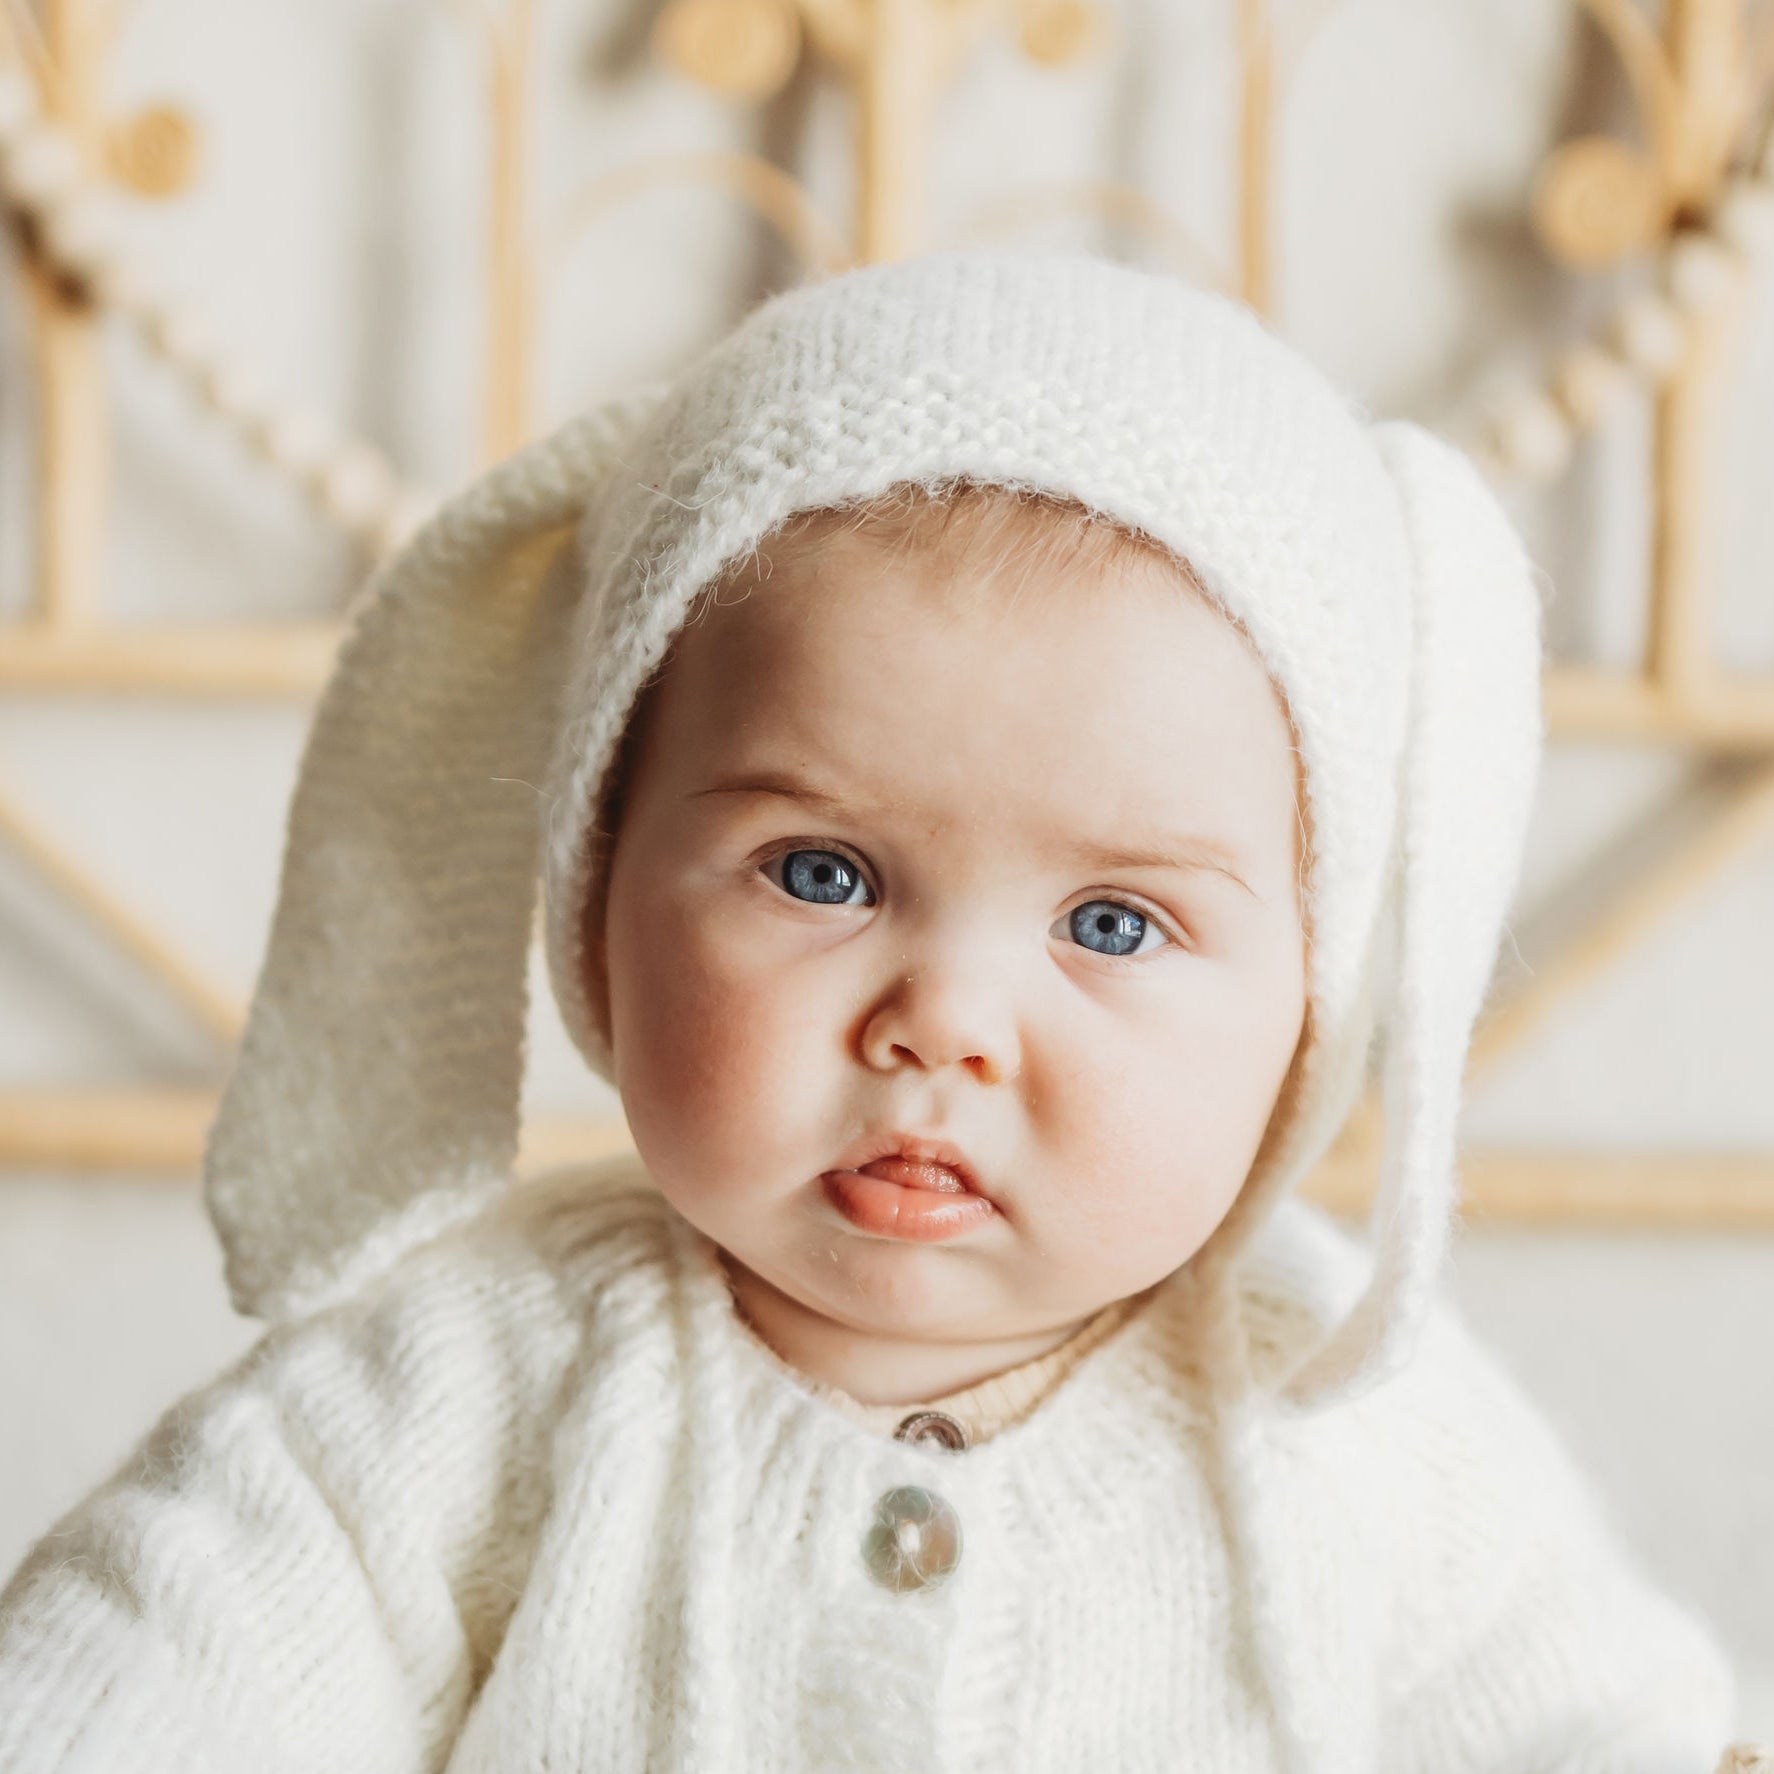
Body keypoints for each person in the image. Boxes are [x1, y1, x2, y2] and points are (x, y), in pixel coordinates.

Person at [0, 249, 1744, 1771]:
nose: (942, 1026)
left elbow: (1593, 1726)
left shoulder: (1345, 1415)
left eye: (1113, 920)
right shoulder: (452, 1388)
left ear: (1310, 1004)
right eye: (819, 874)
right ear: (596, 879)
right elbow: (141, 1669)